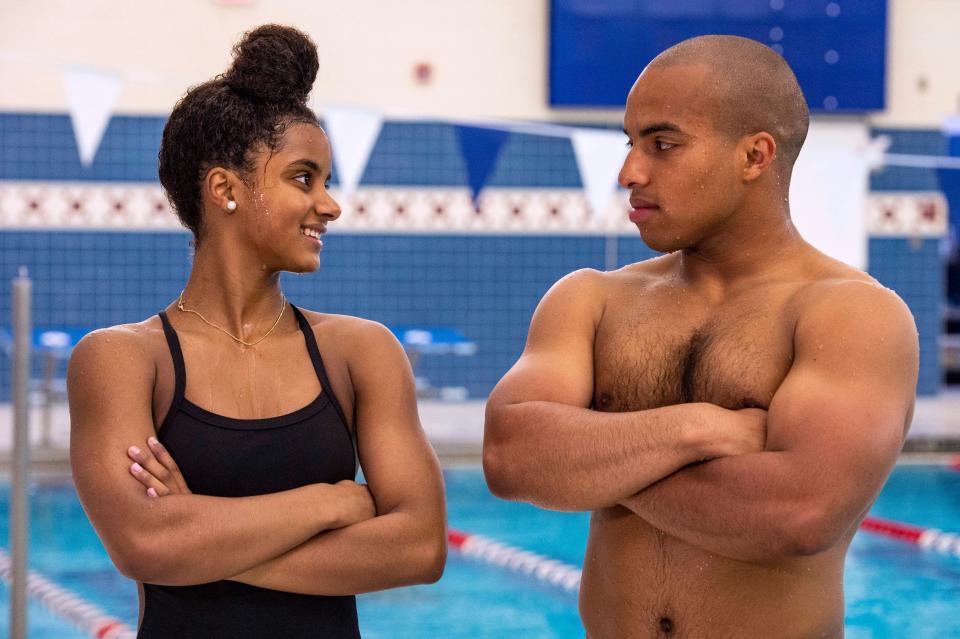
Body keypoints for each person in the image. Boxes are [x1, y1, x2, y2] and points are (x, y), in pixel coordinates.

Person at [483, 35, 918, 638]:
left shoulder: (851, 315)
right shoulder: (590, 299)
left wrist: (593, 461)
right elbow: (510, 456)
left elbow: (797, 514)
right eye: (630, 144)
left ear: (754, 157)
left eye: (663, 144)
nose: (629, 172)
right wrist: (702, 428)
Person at [68, 24, 446, 639]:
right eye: (304, 178)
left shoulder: (360, 353)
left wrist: (198, 536)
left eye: (326, 181)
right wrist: (330, 503)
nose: (330, 205)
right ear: (226, 189)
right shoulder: (122, 360)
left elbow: (420, 547)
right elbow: (142, 544)